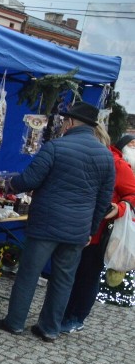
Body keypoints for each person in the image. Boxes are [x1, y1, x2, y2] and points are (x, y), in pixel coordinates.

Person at [0, 101, 114, 342]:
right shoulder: (105, 156)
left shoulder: (55, 147)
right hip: (78, 229)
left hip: (46, 224)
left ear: (70, 122)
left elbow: (30, 179)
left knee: (28, 274)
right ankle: (49, 328)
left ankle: (15, 322)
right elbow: (103, 200)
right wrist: (90, 229)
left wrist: (10, 184)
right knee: (64, 279)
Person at [60, 132, 135, 333]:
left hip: (100, 232)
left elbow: (132, 195)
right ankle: (65, 314)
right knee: (75, 275)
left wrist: (119, 208)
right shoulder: (110, 161)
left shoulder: (119, 165)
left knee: (88, 275)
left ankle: (76, 317)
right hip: (82, 228)